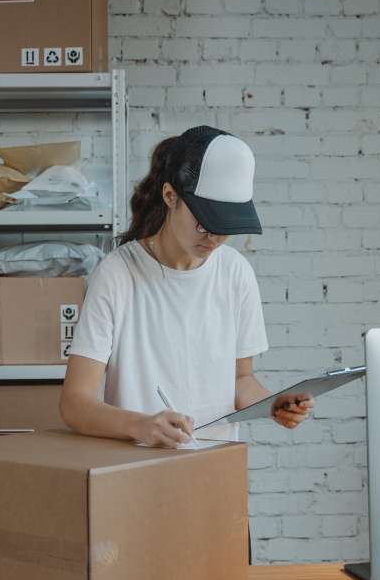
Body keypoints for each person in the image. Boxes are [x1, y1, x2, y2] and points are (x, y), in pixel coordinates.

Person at [60, 125, 314, 447]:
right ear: (170, 196)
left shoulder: (235, 273)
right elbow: (74, 404)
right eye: (204, 221)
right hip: (136, 468)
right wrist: (142, 425)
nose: (214, 237)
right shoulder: (117, 275)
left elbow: (240, 380)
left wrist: (273, 404)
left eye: (225, 226)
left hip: (214, 464)